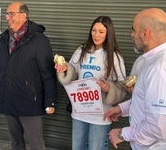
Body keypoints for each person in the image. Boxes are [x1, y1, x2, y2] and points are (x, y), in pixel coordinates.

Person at [0, 1, 57, 150]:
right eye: (7, 14)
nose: (7, 17)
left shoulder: (39, 40)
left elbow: (48, 74)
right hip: (9, 99)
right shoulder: (4, 39)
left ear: (24, 16)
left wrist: (50, 101)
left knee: (36, 143)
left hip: (30, 102)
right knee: (16, 143)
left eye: (11, 13)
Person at [104, 8, 166, 149]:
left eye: (134, 30)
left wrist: (121, 134)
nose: (132, 35)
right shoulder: (158, 60)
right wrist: (121, 108)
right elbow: (148, 100)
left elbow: (157, 127)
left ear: (145, 33)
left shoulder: (160, 68)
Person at [55, 16, 128, 150]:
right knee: (77, 147)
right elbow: (73, 71)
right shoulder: (81, 50)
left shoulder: (114, 56)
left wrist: (109, 89)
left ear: (108, 33)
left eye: (101, 32)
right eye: (94, 30)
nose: (96, 35)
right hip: (80, 111)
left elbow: (123, 85)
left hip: (101, 114)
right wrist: (65, 69)